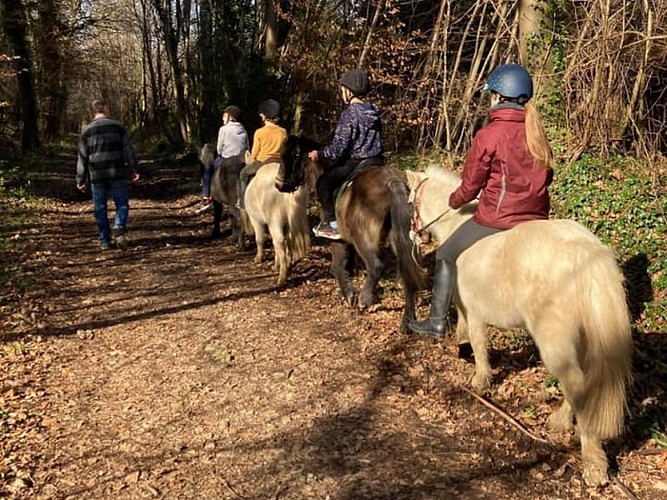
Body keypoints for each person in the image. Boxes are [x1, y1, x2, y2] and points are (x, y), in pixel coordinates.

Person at [408, 63, 554, 338]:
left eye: (492, 94)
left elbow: (471, 185)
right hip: (537, 217)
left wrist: (453, 200)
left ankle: (436, 322)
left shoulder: (489, 134)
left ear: (499, 96)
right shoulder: (536, 132)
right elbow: (548, 176)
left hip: (497, 219)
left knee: (446, 253)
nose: (490, 98)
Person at [308, 68, 383, 240]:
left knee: (323, 183)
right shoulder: (374, 111)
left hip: (356, 162)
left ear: (349, 91)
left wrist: (319, 154)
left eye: (342, 89)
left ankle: (334, 225)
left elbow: (338, 148)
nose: (341, 92)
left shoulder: (349, 114)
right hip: (377, 161)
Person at [76, 99, 141, 250]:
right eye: (108, 107)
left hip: (97, 174)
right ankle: (119, 227)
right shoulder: (118, 127)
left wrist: (81, 178)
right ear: (105, 109)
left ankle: (105, 240)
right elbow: (128, 150)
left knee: (100, 207)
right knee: (122, 203)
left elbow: (82, 157)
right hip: (117, 171)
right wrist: (134, 168)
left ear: (94, 111)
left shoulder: (86, 131)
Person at [237, 99, 288, 209]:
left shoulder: (259, 132)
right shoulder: (283, 131)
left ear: (265, 116)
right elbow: (285, 149)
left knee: (243, 174)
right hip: (279, 161)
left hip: (262, 161)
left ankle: (242, 203)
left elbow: (254, 153)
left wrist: (252, 158)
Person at [197, 105, 249, 213]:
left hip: (226, 158)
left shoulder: (223, 129)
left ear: (230, 117)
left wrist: (222, 153)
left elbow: (219, 148)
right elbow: (247, 147)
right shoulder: (243, 129)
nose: (222, 118)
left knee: (209, 170)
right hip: (241, 160)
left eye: (224, 116)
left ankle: (207, 197)